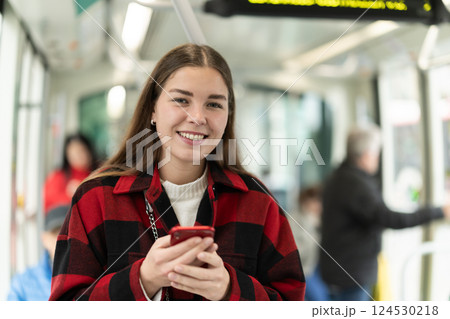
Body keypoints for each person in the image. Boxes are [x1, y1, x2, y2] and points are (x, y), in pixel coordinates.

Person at [49, 44, 305, 301]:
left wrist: (230, 290)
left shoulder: (258, 202)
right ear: (152, 109)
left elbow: (292, 304)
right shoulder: (96, 198)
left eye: (214, 104)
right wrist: (143, 280)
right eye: (181, 100)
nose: (197, 117)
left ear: (229, 115)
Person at [319, 125, 450, 301]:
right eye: (376, 154)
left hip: (339, 270)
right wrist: (438, 211)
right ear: (366, 155)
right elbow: (391, 218)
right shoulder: (356, 185)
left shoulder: (338, 177)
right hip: (350, 275)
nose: (377, 160)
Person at [8, 205, 70, 301]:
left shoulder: (93, 280)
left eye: (68, 233)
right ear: (44, 238)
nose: (62, 239)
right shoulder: (23, 284)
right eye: (56, 233)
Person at [288, 185, 329, 300]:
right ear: (305, 202)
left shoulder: (318, 221)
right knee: (321, 299)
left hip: (316, 269)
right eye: (315, 201)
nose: (318, 205)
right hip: (304, 272)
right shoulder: (294, 220)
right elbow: (295, 253)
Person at [43, 133, 97, 213]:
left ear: (89, 151)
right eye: (73, 153)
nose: (78, 156)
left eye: (81, 150)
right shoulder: (59, 176)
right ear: (67, 155)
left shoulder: (98, 175)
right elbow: (48, 201)